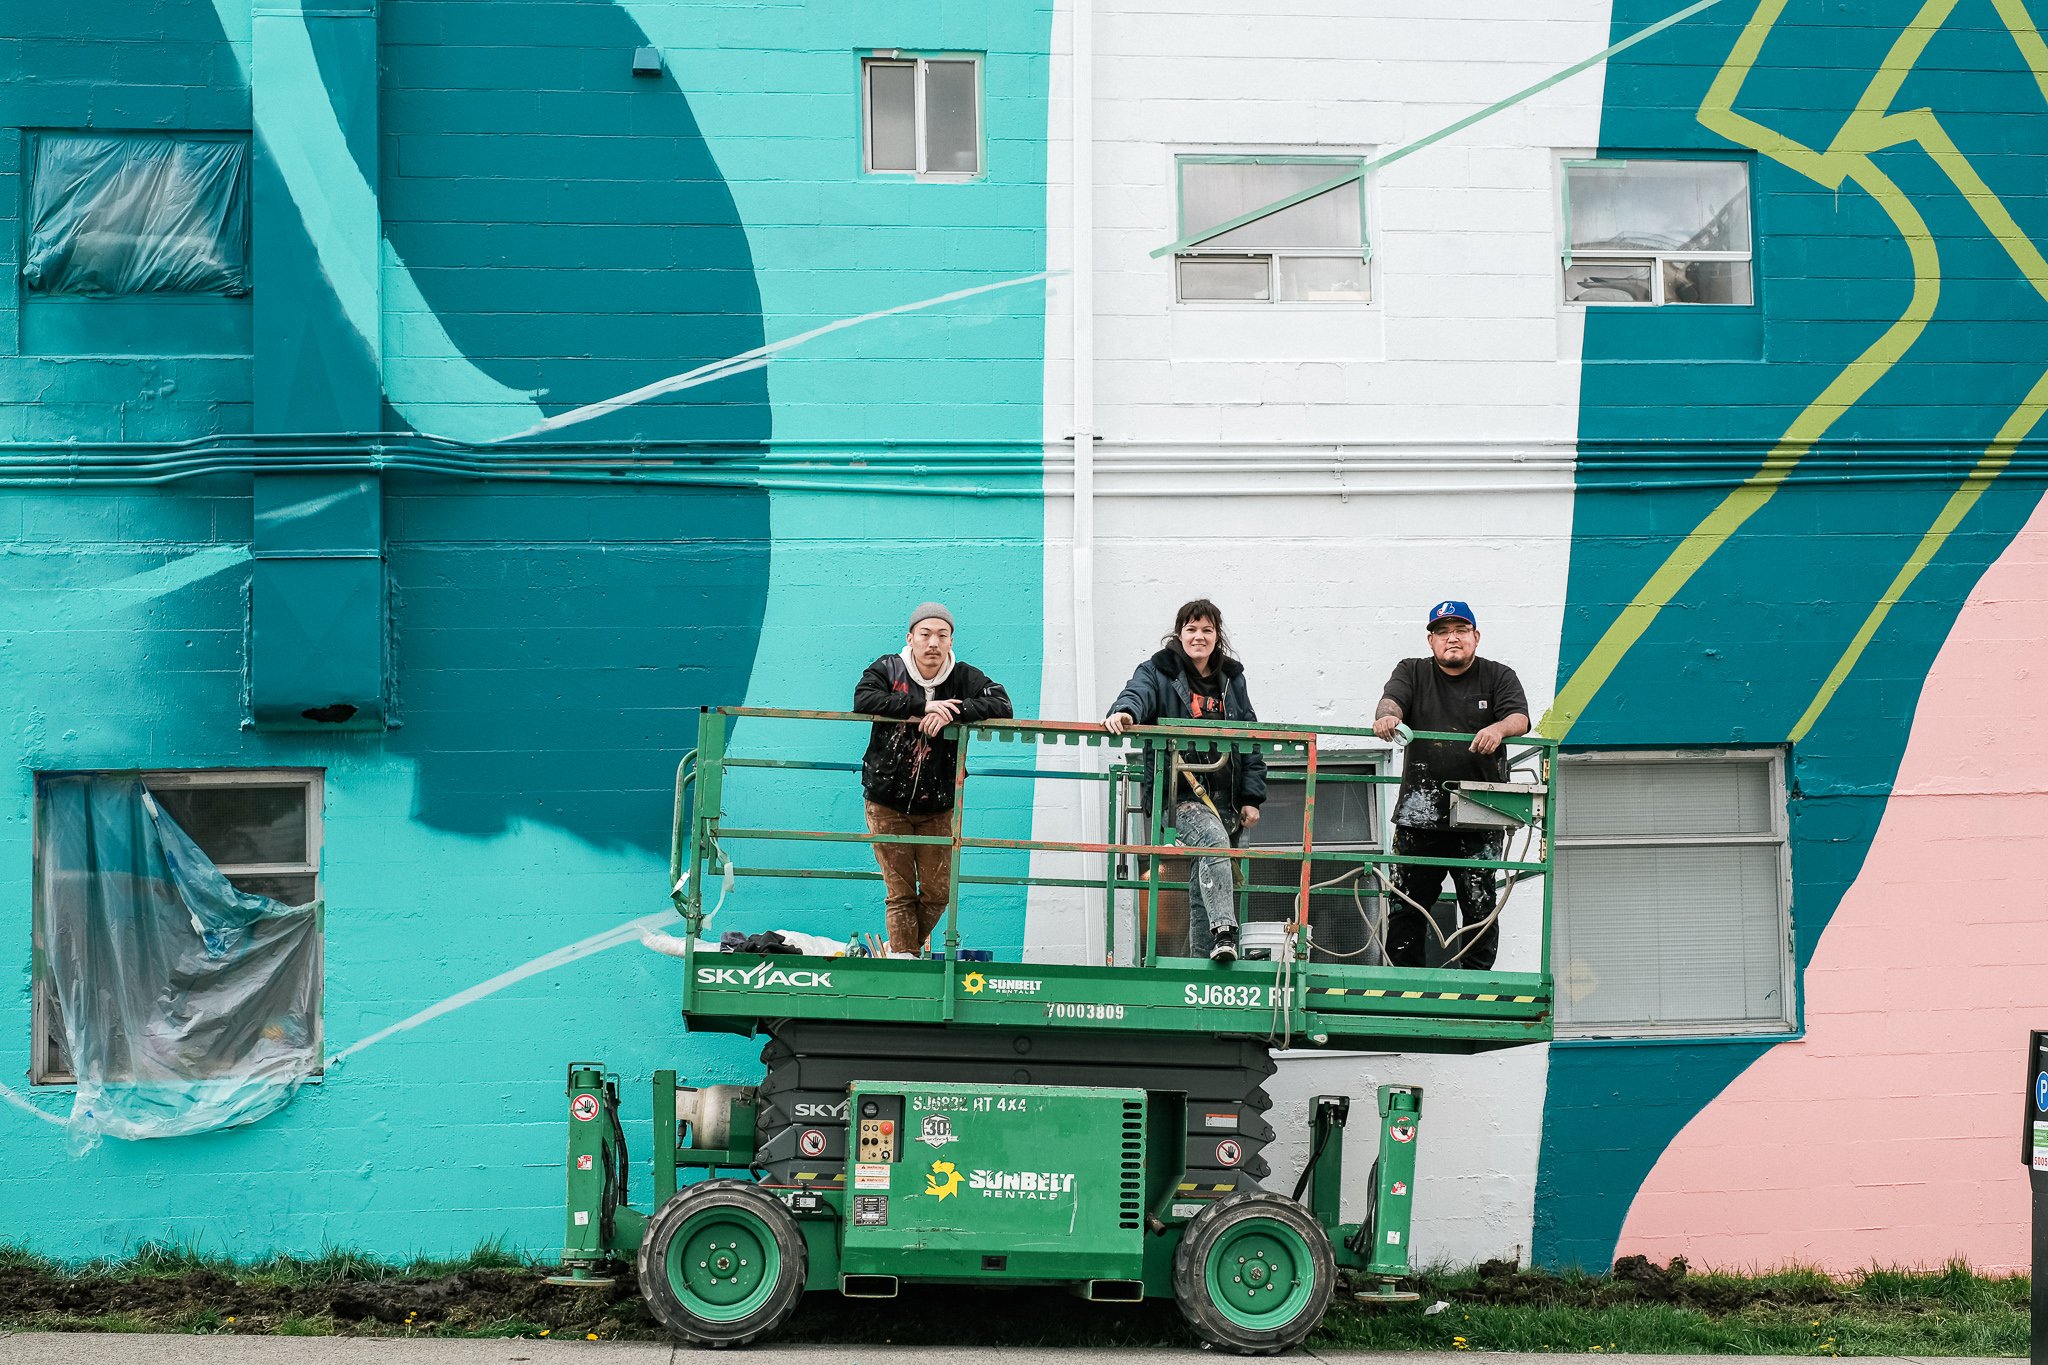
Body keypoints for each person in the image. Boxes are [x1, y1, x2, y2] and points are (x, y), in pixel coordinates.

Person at [1104, 599, 1267, 963]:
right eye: (1191, 629)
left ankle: (1201, 963)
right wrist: (1125, 711)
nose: (1199, 636)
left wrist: (1251, 798)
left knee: (1201, 882)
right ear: (1179, 634)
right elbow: (1138, 693)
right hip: (1176, 795)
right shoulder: (1158, 670)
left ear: (1217, 636)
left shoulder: (1232, 680)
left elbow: (1250, 740)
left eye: (1207, 630)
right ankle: (1226, 930)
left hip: (1224, 798)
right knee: (1212, 841)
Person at [1372, 600, 1530, 971]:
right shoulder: (1412, 671)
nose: (1452, 638)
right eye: (1442, 632)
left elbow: (1519, 718)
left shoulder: (1498, 676)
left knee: (1478, 905)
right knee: (1407, 905)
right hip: (1419, 815)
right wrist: (1386, 718)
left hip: (1480, 814)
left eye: (1460, 630)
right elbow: (1391, 701)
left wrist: (1497, 729)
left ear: (1476, 637)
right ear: (1431, 641)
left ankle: (1475, 987)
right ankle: (1403, 988)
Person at [854, 603, 1013, 956]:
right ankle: (907, 961)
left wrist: (951, 713)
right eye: (925, 634)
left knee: (938, 893)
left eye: (942, 635)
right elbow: (863, 699)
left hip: (938, 804)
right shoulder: (888, 667)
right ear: (910, 638)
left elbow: (1002, 704)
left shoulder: (964, 677)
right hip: (886, 802)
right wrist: (920, 707)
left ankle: (900, 954)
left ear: (951, 640)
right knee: (901, 893)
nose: (933, 643)